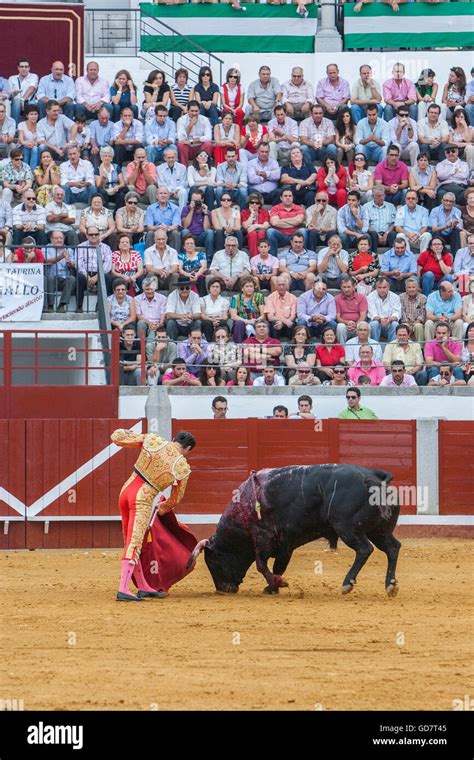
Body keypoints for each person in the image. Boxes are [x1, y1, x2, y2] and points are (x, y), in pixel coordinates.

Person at [111, 427, 196, 601]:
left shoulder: (153, 440)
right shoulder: (181, 466)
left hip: (126, 491)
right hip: (142, 498)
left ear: (174, 438)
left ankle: (143, 586)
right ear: (187, 449)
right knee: (134, 543)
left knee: (133, 541)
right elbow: (175, 499)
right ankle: (123, 589)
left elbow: (117, 438)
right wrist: (162, 509)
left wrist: (124, 431)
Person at [74, 226, 113, 312]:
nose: (94, 236)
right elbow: (79, 263)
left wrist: (98, 276)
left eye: (96, 234)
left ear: (99, 235)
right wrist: (87, 276)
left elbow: (107, 265)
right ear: (87, 236)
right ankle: (79, 307)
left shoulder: (106, 248)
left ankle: (100, 307)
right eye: (91, 234)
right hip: (85, 273)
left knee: (106, 278)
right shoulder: (80, 247)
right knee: (80, 277)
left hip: (100, 273)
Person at [267, 189, 306, 257]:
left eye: (290, 196)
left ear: (293, 197)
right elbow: (274, 223)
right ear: (281, 198)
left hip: (296, 235)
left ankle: (303, 256)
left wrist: (281, 220)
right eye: (285, 196)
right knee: (270, 231)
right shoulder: (275, 208)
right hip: (280, 236)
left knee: (303, 231)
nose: (288, 198)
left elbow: (299, 221)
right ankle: (273, 259)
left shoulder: (299, 208)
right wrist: (294, 221)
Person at [180, 188, 214, 263]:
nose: (195, 203)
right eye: (193, 200)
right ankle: (184, 258)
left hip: (201, 237)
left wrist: (205, 213)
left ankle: (208, 260)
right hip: (189, 236)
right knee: (185, 231)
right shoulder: (186, 209)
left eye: (197, 201)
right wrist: (192, 210)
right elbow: (185, 226)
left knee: (210, 232)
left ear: (202, 200)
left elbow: (206, 229)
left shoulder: (207, 211)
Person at [176, 100, 213, 168]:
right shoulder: (181, 120)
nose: (194, 113)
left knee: (208, 144)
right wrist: (191, 125)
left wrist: (192, 141)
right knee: (181, 145)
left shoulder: (204, 120)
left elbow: (208, 137)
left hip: (200, 148)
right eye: (192, 111)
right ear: (187, 110)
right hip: (188, 148)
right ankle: (184, 168)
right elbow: (181, 138)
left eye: (196, 111)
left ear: (199, 111)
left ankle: (204, 167)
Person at [229, 276, 266, 343]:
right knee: (238, 323)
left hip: (256, 321)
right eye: (247, 286)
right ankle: (239, 347)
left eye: (251, 286)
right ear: (242, 288)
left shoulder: (259, 296)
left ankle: (262, 346)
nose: (249, 288)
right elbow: (233, 316)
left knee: (263, 324)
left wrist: (256, 321)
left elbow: (263, 315)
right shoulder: (236, 298)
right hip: (242, 322)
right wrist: (247, 321)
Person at [335, 275, 368, 344]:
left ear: (354, 287)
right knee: (340, 327)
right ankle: (342, 349)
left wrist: (356, 324)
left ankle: (365, 348)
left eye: (348, 287)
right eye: (344, 287)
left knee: (366, 325)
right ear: (341, 287)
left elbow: (363, 315)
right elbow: (338, 317)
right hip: (345, 325)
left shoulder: (361, 297)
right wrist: (347, 323)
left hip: (358, 324)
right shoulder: (337, 298)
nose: (346, 289)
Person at [367, 276, 401, 343]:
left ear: (389, 287)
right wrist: (381, 319)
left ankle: (391, 347)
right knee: (374, 324)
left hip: (389, 324)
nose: (382, 290)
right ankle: (374, 347)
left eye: (384, 287)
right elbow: (372, 314)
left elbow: (397, 314)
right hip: (376, 324)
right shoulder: (370, 296)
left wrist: (389, 320)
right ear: (376, 287)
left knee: (395, 324)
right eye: (379, 287)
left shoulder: (395, 297)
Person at [135, 275, 167, 345]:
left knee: (153, 333)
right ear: (143, 289)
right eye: (147, 289)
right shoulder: (137, 299)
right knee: (141, 323)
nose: (149, 291)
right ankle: (140, 346)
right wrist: (150, 323)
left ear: (155, 288)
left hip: (158, 323)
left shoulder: (163, 298)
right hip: (145, 323)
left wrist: (159, 324)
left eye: (151, 289)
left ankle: (149, 347)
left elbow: (163, 314)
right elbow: (139, 316)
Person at [365, 186, 396, 255]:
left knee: (393, 234)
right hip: (373, 234)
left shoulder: (391, 206)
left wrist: (386, 233)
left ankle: (393, 257)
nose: (382, 198)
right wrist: (378, 235)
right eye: (379, 196)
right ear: (373, 196)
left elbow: (393, 223)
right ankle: (373, 258)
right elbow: (366, 224)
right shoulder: (366, 207)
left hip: (387, 234)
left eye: (383, 195)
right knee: (373, 234)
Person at [263, 274, 297, 338]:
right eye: (279, 285)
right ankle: (274, 345)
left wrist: (284, 323)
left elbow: (293, 315)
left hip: (288, 323)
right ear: (276, 286)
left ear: (287, 285)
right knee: (274, 323)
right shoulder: (270, 298)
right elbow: (270, 317)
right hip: (277, 323)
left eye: (283, 284)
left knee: (292, 324)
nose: (281, 287)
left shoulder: (293, 298)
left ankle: (292, 345)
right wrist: (283, 321)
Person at [94, 145, 127, 210]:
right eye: (105, 156)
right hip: (104, 192)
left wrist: (118, 187)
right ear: (101, 157)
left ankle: (117, 213)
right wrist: (103, 178)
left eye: (109, 156)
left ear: (112, 158)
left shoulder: (116, 167)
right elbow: (98, 186)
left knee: (121, 194)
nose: (107, 158)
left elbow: (122, 183)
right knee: (102, 192)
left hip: (114, 190)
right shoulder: (97, 169)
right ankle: (106, 213)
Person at [8, 59, 38, 125]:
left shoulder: (34, 76)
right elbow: (9, 94)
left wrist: (22, 99)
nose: (24, 68)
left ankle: (35, 127)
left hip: (28, 101)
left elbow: (31, 88)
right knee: (16, 102)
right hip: (16, 102)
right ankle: (15, 127)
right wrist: (13, 94)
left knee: (33, 103)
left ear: (29, 68)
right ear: (18, 68)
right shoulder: (12, 78)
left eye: (26, 67)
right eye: (21, 67)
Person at [200, 277, 230, 342]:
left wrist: (216, 320)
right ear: (209, 288)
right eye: (212, 286)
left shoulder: (225, 301)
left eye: (217, 287)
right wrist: (212, 320)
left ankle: (221, 341)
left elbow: (225, 317)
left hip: (219, 320)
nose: (215, 288)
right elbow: (203, 315)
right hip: (208, 320)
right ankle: (209, 342)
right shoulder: (203, 299)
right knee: (207, 323)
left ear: (220, 289)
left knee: (223, 322)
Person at [241, 193, 270, 258]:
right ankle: (254, 259)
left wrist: (256, 226)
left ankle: (262, 257)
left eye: (257, 203)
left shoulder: (264, 212)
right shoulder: (244, 212)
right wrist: (252, 214)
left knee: (261, 233)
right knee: (253, 234)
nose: (254, 204)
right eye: (252, 202)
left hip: (261, 235)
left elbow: (266, 225)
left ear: (260, 204)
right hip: (248, 237)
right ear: (248, 203)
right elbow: (245, 226)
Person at [399, 277, 427, 343]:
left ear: (417, 288)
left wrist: (414, 324)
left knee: (418, 327)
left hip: (418, 322)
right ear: (405, 289)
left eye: (413, 287)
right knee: (405, 327)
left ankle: (421, 348)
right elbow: (402, 312)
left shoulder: (423, 298)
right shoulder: (401, 297)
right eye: (409, 287)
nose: (411, 289)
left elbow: (422, 314)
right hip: (405, 322)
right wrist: (408, 324)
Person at [17, 105, 40, 170]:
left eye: (36, 114)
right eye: (31, 114)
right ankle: (24, 170)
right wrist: (26, 143)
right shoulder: (21, 124)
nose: (34, 116)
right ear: (27, 116)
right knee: (26, 149)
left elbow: (41, 139)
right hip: (23, 146)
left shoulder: (40, 125)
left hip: (34, 147)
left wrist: (35, 143)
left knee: (35, 149)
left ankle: (32, 172)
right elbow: (21, 139)